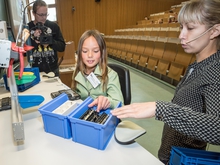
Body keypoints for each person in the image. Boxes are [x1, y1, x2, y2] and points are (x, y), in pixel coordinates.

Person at [111, 0, 220, 164]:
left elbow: (217, 129)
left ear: (214, 31)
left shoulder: (215, 71)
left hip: (184, 158)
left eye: (190, 28)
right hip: (170, 153)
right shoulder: (197, 65)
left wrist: (160, 108)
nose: (182, 35)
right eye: (181, 27)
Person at [71, 30, 124, 112]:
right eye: (85, 51)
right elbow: (75, 95)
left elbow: (119, 104)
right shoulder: (77, 72)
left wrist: (108, 102)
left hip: (102, 115)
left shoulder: (111, 75)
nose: (90, 55)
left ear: (102, 52)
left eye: (95, 51)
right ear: (80, 53)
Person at [28, 0, 65, 77]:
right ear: (33, 13)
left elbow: (62, 47)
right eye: (41, 15)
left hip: (53, 69)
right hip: (35, 71)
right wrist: (33, 40)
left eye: (46, 14)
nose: (44, 17)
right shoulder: (27, 28)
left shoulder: (54, 26)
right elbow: (23, 51)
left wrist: (50, 41)